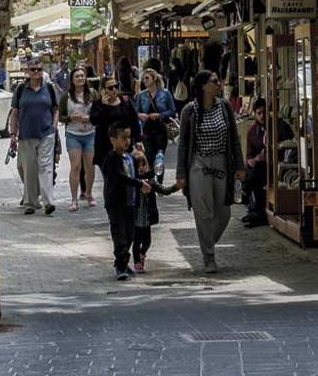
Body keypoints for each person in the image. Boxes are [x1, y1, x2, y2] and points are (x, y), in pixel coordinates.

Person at [176, 68, 245, 273]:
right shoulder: (190, 110)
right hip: (199, 164)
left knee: (223, 212)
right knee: (204, 211)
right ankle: (209, 257)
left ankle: (207, 242)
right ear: (203, 86)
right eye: (214, 81)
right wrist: (181, 174)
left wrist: (239, 165)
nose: (219, 84)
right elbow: (183, 145)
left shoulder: (224, 106)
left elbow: (233, 138)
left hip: (221, 163)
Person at [101, 120, 149, 281]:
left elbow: (135, 176)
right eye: (123, 138)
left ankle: (122, 262)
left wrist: (144, 180)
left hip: (130, 202)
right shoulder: (111, 159)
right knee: (120, 234)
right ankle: (120, 265)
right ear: (113, 140)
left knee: (129, 234)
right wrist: (138, 183)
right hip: (116, 203)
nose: (127, 141)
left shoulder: (129, 158)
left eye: (129, 138)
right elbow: (120, 177)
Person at [9, 60, 59, 215]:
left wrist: (54, 126)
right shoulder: (21, 90)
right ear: (28, 72)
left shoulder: (49, 88)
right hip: (26, 134)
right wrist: (12, 134)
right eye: (33, 69)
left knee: (45, 167)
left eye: (38, 69)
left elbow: (55, 109)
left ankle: (48, 202)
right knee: (29, 169)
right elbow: (15, 113)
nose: (36, 72)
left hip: (46, 133)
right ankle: (30, 202)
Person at [131, 142, 177, 274]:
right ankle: (137, 263)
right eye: (137, 166)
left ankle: (142, 254)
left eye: (143, 165)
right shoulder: (133, 182)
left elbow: (164, 190)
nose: (141, 168)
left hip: (147, 218)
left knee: (147, 242)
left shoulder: (151, 181)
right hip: (135, 218)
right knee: (136, 241)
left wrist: (176, 187)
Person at [91, 75, 141, 181]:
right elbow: (94, 121)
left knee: (126, 175)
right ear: (103, 90)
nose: (114, 89)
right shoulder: (98, 104)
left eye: (115, 86)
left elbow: (134, 121)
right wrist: (104, 106)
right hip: (105, 147)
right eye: (110, 88)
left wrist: (138, 140)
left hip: (125, 144)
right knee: (110, 178)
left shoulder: (126, 101)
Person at [63, 65, 96, 211]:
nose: (80, 78)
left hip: (90, 133)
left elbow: (99, 112)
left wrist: (89, 118)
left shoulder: (93, 94)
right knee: (76, 166)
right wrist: (71, 117)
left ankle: (89, 193)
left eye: (82, 76)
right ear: (72, 80)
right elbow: (61, 117)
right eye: (77, 76)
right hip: (73, 134)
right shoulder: (66, 96)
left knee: (90, 166)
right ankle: (74, 199)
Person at [135, 67, 177, 167]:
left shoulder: (165, 93)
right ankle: (151, 180)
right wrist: (141, 115)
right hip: (146, 130)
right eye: (143, 78)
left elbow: (172, 111)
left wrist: (159, 115)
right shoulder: (141, 95)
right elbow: (136, 112)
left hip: (161, 129)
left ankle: (159, 180)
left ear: (154, 79)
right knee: (149, 155)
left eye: (147, 78)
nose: (144, 80)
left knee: (159, 157)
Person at [242, 97, 268, 227]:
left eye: (264, 112)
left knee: (255, 174)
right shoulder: (252, 132)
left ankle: (245, 194)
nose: (262, 116)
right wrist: (252, 160)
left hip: (274, 166)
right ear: (255, 114)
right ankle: (257, 213)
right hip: (259, 167)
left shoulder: (279, 127)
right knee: (254, 171)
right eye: (259, 113)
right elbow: (249, 155)